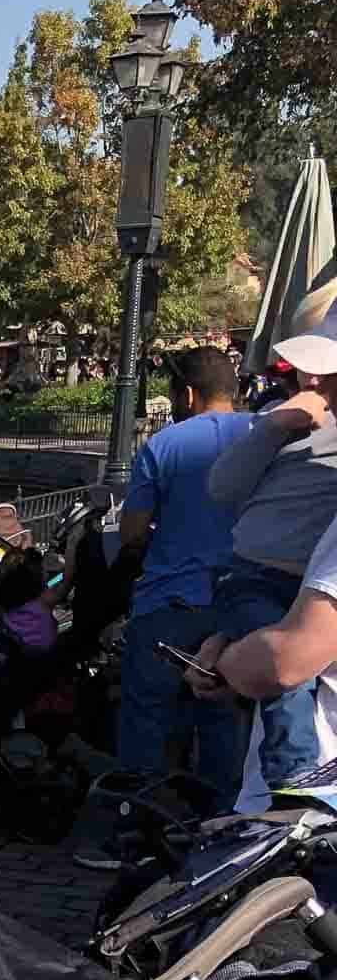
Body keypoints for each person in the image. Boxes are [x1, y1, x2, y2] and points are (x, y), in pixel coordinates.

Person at [197, 302, 337, 792]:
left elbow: (286, 661)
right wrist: (277, 426)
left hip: (296, 591)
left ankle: (295, 776)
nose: (313, 382)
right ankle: (290, 780)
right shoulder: (282, 423)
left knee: (284, 682)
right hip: (255, 577)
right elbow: (222, 487)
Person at [113, 345, 251, 803]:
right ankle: (218, 829)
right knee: (223, 719)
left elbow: (132, 532)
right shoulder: (263, 436)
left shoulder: (164, 444)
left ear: (188, 394)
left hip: (169, 605)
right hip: (239, 605)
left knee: (147, 717)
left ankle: (140, 825)